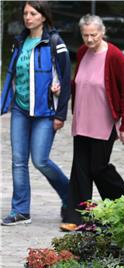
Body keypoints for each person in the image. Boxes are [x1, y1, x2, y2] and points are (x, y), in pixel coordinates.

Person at [60, 14, 124, 232]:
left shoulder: (115, 57)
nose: (90, 39)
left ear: (102, 32)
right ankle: (79, 217)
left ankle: (123, 205)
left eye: (93, 34)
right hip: (82, 120)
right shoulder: (82, 53)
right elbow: (79, 83)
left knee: (98, 168)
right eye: (85, 35)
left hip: (104, 123)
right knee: (80, 169)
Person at [1, 1, 71, 226]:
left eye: (33, 13)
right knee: (18, 161)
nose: (27, 17)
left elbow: (66, 80)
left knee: (40, 160)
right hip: (20, 109)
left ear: (43, 16)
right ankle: (21, 210)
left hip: (45, 112)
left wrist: (61, 115)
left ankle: (71, 197)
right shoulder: (20, 42)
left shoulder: (54, 43)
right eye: (25, 13)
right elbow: (14, 75)